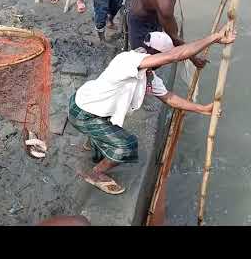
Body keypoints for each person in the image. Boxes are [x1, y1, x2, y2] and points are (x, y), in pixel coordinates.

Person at [67, 22, 235, 195]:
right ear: (156, 56)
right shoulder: (128, 61)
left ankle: (92, 142)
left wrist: (202, 109)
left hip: (91, 108)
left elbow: (169, 98)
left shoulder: (148, 75)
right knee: (127, 146)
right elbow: (175, 55)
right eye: (163, 58)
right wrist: (214, 37)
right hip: (82, 112)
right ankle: (96, 174)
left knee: (103, 138)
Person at [128, 0, 233, 69]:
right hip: (140, 22)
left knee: (159, 48)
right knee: (144, 61)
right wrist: (194, 59)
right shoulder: (165, 3)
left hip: (156, 16)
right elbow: (174, 37)